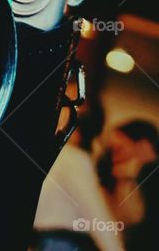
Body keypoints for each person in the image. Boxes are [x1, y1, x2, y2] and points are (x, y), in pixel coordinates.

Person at [33, 105, 124, 251]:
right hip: (63, 243)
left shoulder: (53, 156)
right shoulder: (74, 158)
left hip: (43, 241)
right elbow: (97, 215)